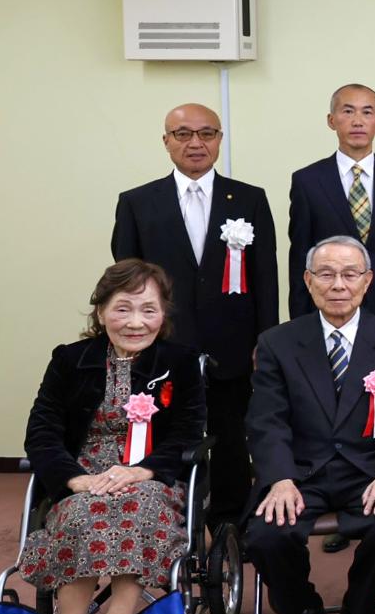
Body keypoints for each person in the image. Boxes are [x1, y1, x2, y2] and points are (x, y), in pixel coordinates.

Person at [243, 236, 375, 614]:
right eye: (326, 275)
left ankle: (361, 609)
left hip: (370, 471)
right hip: (300, 472)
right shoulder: (277, 343)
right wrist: (279, 478)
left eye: (349, 274)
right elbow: (266, 420)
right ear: (309, 282)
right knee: (267, 533)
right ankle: (300, 613)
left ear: (367, 281)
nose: (338, 285)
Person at [19, 261, 206, 614]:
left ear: (163, 314)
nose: (136, 322)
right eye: (123, 309)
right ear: (101, 311)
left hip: (151, 479)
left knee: (137, 508)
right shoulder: (69, 360)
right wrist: (74, 479)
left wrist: (143, 472)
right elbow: (42, 431)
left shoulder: (180, 361)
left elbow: (188, 432)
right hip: (83, 475)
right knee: (78, 513)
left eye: (149, 310)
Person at [112, 103, 278, 523]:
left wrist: (265, 340)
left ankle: (230, 525)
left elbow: (265, 277)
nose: (195, 143)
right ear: (166, 141)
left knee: (231, 436)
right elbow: (125, 281)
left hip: (232, 343)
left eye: (207, 133)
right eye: (183, 134)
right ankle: (166, 520)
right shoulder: (137, 202)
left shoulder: (249, 198)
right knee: (165, 433)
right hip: (164, 344)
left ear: (220, 140)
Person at [287, 83, 375, 335]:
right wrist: (299, 322)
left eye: (367, 112)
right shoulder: (308, 181)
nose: (357, 121)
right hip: (331, 309)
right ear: (331, 120)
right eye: (348, 111)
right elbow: (300, 256)